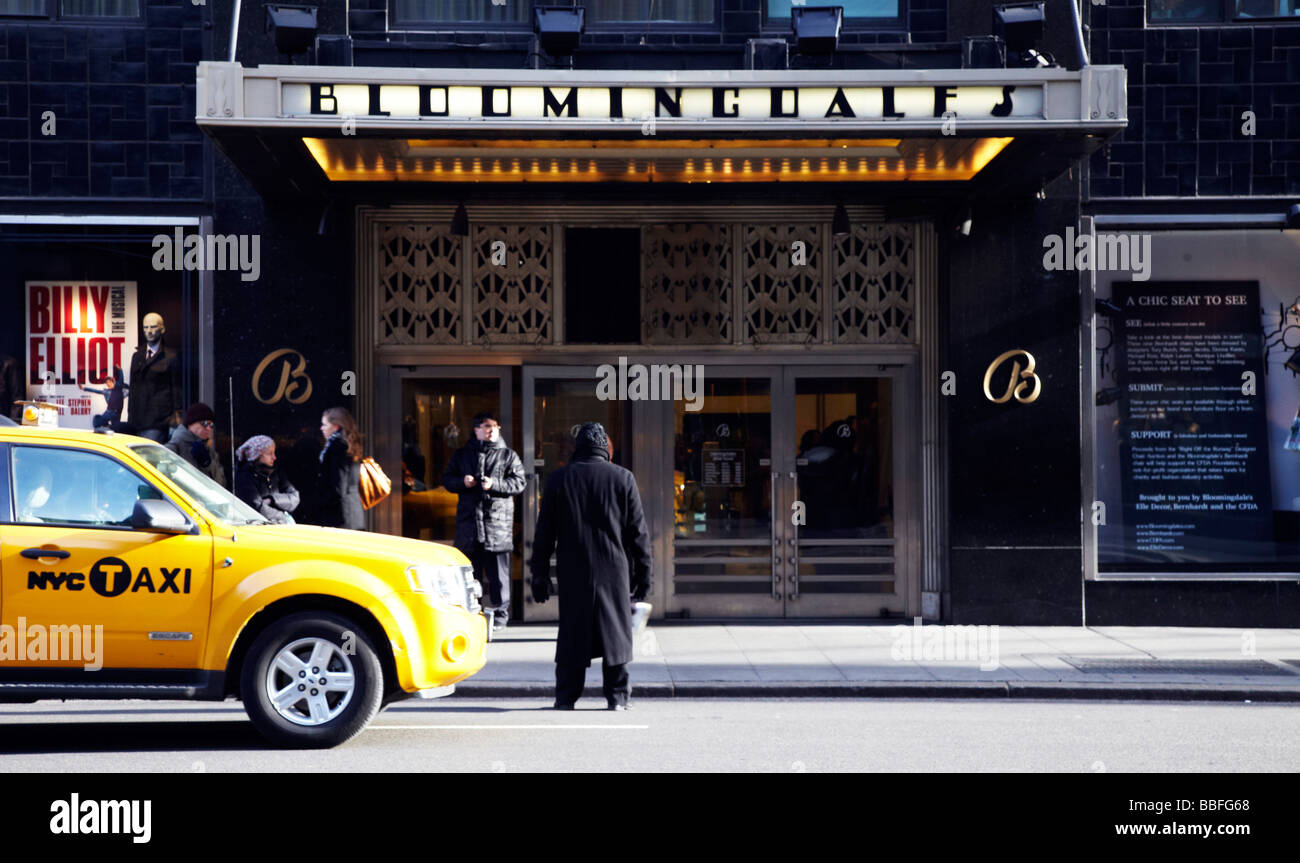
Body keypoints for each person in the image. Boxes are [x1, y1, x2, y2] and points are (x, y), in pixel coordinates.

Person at [529, 422, 652, 711]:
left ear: (578, 447)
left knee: (573, 633)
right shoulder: (623, 478)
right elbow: (639, 534)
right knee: (616, 634)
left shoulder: (559, 480)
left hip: (574, 569)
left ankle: (566, 696)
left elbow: (545, 533)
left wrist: (540, 575)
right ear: (605, 448)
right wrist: (645, 579)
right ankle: (617, 697)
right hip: (614, 569)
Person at [443, 411, 526, 631]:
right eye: (486, 427)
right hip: (470, 525)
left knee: (499, 575)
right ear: (476, 429)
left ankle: (500, 615)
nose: (490, 431)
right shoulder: (462, 455)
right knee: (470, 574)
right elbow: (448, 480)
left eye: (494, 427)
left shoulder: (508, 455)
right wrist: (463, 482)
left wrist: (494, 484)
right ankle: (473, 613)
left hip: (497, 525)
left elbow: (519, 483)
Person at [127, 313, 181, 442]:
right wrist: (130, 416)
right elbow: (133, 389)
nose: (149, 331)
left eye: (153, 327)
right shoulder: (137, 356)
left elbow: (176, 390)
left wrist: (175, 418)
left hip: (158, 421)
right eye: (145, 327)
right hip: (137, 420)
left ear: (162, 329)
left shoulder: (171, 357)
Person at [316, 406, 365, 530]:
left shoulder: (336, 447)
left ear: (336, 426)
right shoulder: (348, 444)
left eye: (325, 425)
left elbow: (338, 487)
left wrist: (319, 502)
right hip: (353, 512)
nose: (321, 428)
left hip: (340, 516)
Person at [234, 434, 300, 524]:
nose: (274, 457)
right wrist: (283, 516)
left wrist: (272, 499)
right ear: (256, 455)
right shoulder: (245, 476)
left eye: (274, 453)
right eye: (269, 453)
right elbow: (256, 507)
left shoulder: (277, 473)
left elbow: (295, 497)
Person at [166, 402, 226, 486]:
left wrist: (208, 464)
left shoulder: (208, 450)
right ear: (190, 424)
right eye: (204, 423)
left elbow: (221, 485)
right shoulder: (174, 447)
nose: (208, 428)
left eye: (211, 425)